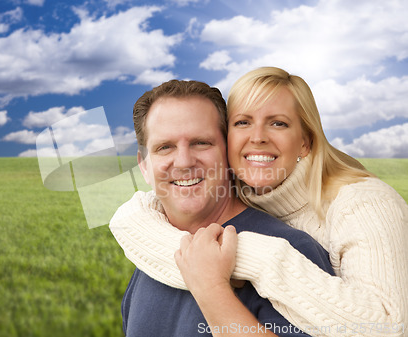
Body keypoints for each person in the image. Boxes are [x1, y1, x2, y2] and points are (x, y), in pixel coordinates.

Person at [110, 68, 408, 337]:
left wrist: (228, 275)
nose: (185, 161)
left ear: (224, 152)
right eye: (164, 147)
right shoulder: (152, 250)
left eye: (202, 142)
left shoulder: (340, 220)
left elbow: (388, 327)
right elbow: (132, 218)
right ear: (144, 167)